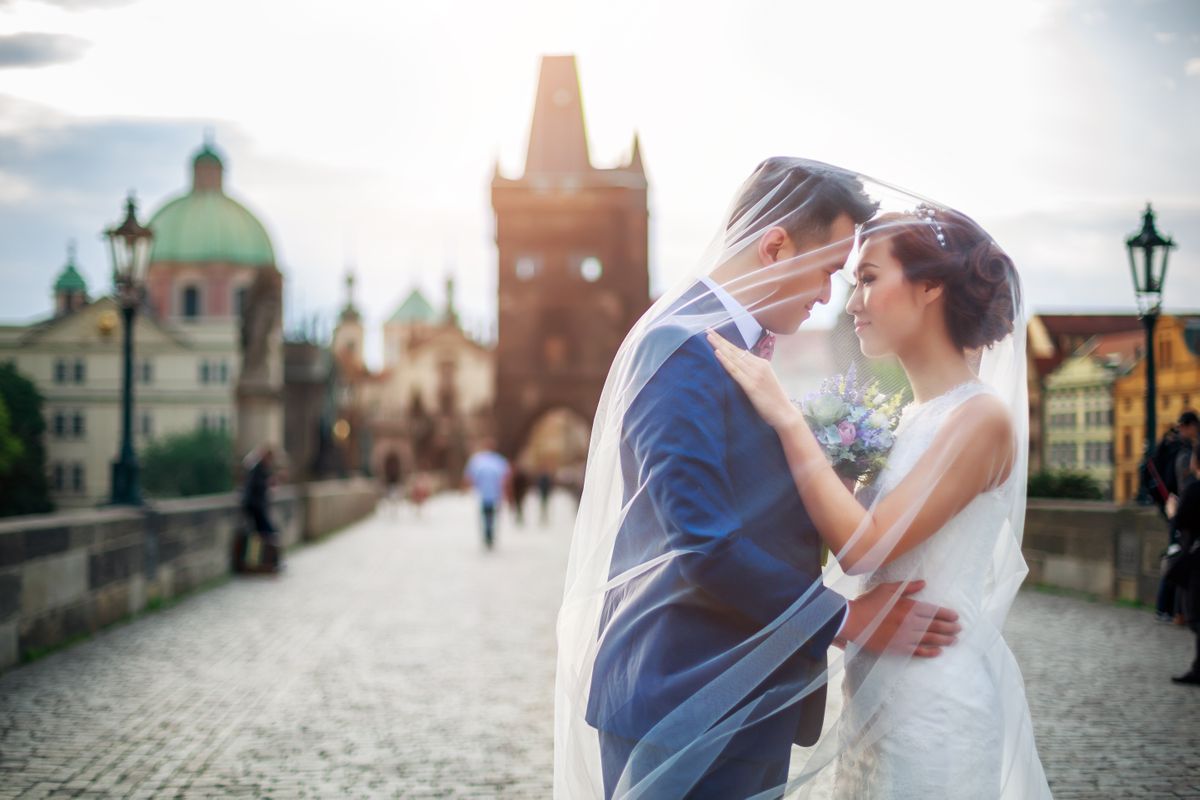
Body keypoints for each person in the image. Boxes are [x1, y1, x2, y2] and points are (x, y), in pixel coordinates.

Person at [554, 159, 1051, 800]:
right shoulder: (683, 344)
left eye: (860, 277)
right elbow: (703, 541)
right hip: (687, 692)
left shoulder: (737, 349)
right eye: (831, 271)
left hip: (753, 693)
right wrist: (847, 619)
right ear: (775, 246)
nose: (831, 297)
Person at [709, 199, 1049, 796]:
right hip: (878, 689)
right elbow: (845, 541)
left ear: (930, 287)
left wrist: (789, 419)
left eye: (867, 278)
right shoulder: (914, 417)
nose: (852, 302)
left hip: (934, 698)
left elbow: (865, 547)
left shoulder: (980, 419)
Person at [1168, 440, 1200, 685]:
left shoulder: (1193, 489)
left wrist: (1171, 510)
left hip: (1197, 561)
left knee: (1195, 615)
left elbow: (1180, 522)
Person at [240, 443, 282, 573]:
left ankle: (262, 562)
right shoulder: (257, 468)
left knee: (263, 534)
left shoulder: (261, 468)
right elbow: (254, 487)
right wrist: (268, 483)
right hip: (255, 506)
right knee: (264, 534)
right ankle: (257, 562)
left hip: (257, 506)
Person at [464, 438, 510, 550]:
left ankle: (488, 534)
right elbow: (506, 477)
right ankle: (489, 534)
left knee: (487, 515)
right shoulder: (498, 460)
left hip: (488, 494)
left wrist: (473, 484)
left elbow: (469, 475)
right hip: (491, 494)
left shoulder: (478, 460)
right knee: (490, 515)